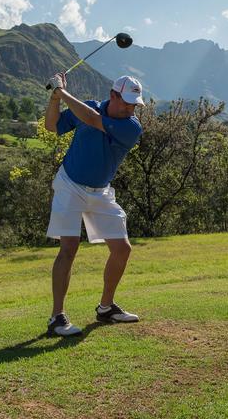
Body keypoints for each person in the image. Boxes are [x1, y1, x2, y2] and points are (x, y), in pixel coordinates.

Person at [43, 72, 144, 336]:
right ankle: (57, 318)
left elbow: (92, 119)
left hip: (100, 192)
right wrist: (55, 98)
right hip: (70, 184)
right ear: (113, 95)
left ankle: (106, 307)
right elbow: (51, 126)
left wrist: (62, 92)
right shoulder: (89, 105)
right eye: (127, 102)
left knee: (122, 249)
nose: (131, 108)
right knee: (69, 247)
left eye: (134, 104)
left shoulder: (131, 127)